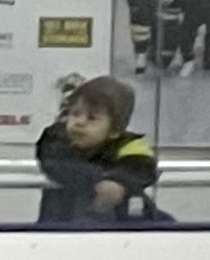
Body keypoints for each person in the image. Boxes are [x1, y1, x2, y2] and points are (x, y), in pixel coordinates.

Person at [34, 77, 160, 224]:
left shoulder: (131, 146)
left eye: (92, 118)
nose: (79, 122)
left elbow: (142, 168)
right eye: (74, 113)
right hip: (59, 226)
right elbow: (55, 163)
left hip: (118, 230)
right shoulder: (56, 139)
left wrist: (117, 183)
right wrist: (98, 181)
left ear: (115, 130)